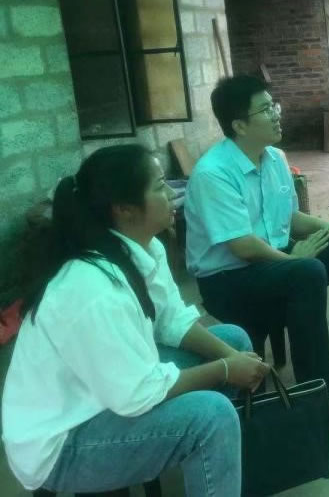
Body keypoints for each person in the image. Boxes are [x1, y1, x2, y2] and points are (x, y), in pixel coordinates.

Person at [1, 145, 269, 496]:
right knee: (211, 416)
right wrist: (224, 369)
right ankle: (207, 457)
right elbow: (137, 394)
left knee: (233, 339)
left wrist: (231, 358)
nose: (171, 194)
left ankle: (212, 468)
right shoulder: (93, 287)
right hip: (62, 443)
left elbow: (171, 321)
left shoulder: (143, 249)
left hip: (100, 397)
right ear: (124, 209)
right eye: (159, 186)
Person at [184, 75, 329, 432]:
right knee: (306, 274)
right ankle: (315, 397)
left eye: (274, 105)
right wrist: (297, 259)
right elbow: (242, 246)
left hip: (274, 258)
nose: (276, 114)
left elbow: (289, 219)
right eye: (265, 109)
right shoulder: (213, 174)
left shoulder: (275, 158)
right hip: (228, 279)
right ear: (239, 125)